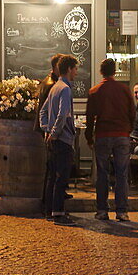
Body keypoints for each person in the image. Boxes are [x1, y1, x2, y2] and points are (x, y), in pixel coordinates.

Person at [85, 59, 135, 222]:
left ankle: (102, 210)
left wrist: (89, 136)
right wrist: (128, 130)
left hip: (103, 134)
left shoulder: (95, 91)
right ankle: (122, 211)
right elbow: (132, 112)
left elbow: (90, 116)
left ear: (101, 72)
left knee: (102, 173)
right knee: (122, 173)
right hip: (121, 134)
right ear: (115, 71)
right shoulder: (124, 89)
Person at [40, 55, 78, 226]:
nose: (76, 72)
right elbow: (63, 115)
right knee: (62, 177)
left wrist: (47, 129)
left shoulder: (55, 87)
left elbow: (42, 111)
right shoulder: (65, 89)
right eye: (75, 69)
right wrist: (54, 132)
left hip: (53, 139)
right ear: (69, 69)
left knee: (52, 177)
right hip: (62, 139)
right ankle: (58, 213)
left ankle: (50, 211)